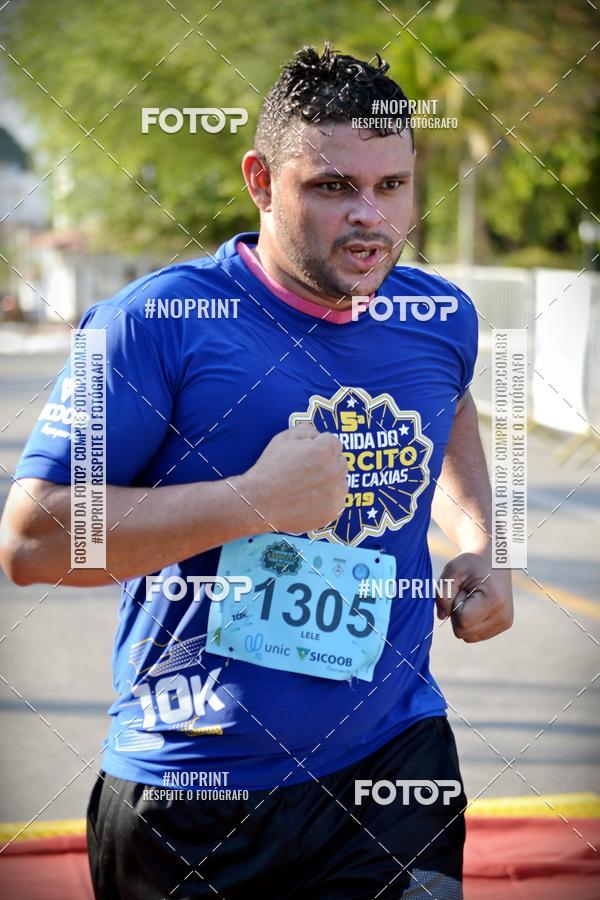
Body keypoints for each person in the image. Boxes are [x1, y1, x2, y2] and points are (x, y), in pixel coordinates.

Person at [0, 44, 513, 899]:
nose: (369, 217)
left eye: (392, 186)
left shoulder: (437, 316)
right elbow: (31, 541)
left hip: (391, 760)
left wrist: (486, 543)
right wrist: (250, 502)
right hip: (190, 782)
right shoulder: (152, 325)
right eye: (332, 187)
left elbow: (450, 410)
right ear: (260, 181)